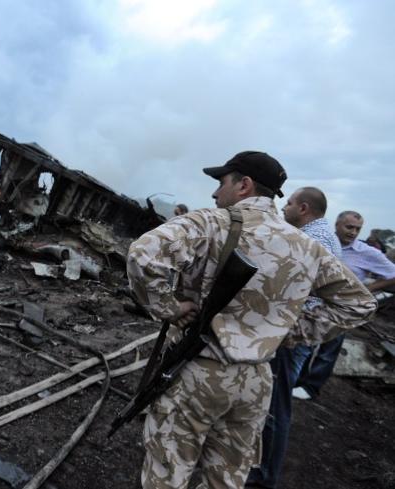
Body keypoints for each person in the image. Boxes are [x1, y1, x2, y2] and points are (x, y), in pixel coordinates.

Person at [127, 151, 376, 489]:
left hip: (201, 368)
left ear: (243, 185)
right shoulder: (309, 247)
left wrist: (169, 308)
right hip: (258, 380)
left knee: (168, 473)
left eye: (221, 183)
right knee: (227, 478)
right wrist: (288, 333)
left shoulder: (212, 222)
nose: (216, 193)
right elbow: (359, 304)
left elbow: (143, 255)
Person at [246, 186, 341, 489]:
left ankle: (263, 478)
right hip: (297, 330)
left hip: (292, 333)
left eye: (288, 204)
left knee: (275, 406)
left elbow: (287, 286)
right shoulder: (323, 235)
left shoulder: (313, 239)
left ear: (303, 208)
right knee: (272, 402)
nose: (283, 208)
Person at [293, 211, 395, 400]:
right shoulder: (327, 244)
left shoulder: (367, 253)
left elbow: (392, 274)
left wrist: (368, 288)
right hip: (315, 304)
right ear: (337, 225)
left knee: (328, 349)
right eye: (349, 227)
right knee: (305, 342)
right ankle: (297, 381)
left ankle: (311, 387)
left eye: (357, 229)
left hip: (340, 309)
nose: (353, 232)